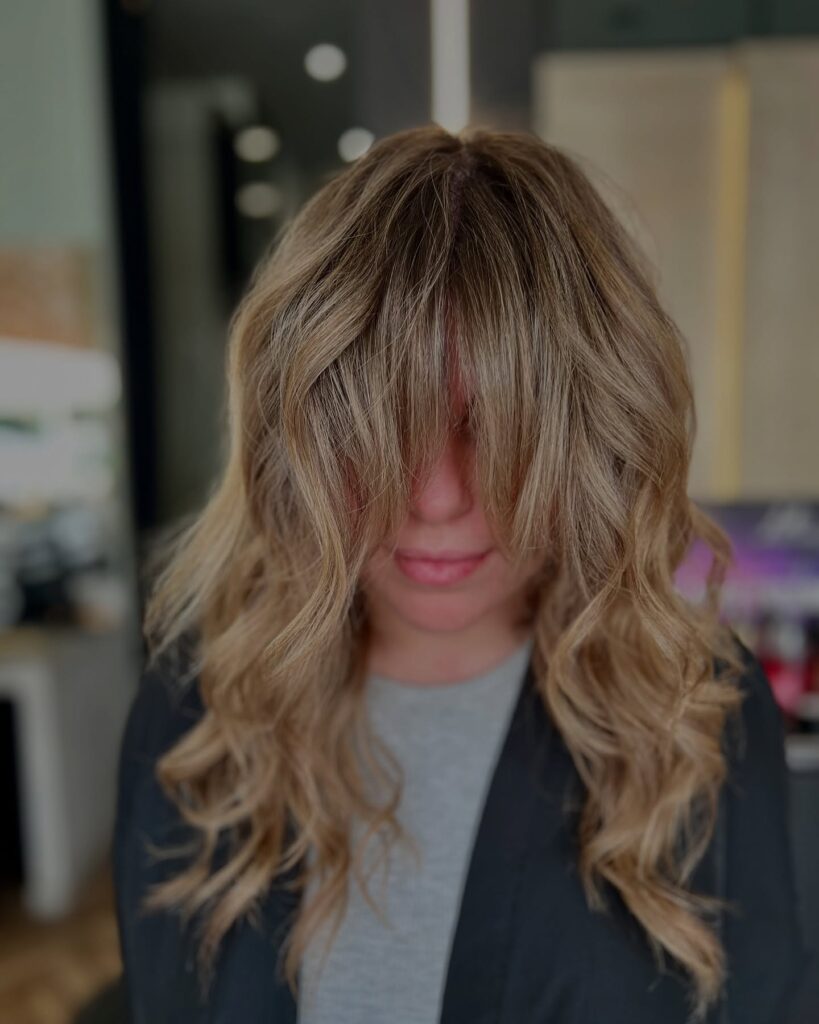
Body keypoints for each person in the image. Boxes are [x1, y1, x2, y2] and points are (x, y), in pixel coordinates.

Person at [112, 123, 811, 1024]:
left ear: (591, 435)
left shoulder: (697, 709)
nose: (436, 499)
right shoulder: (198, 708)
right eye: (383, 427)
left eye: (497, 429)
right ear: (300, 441)